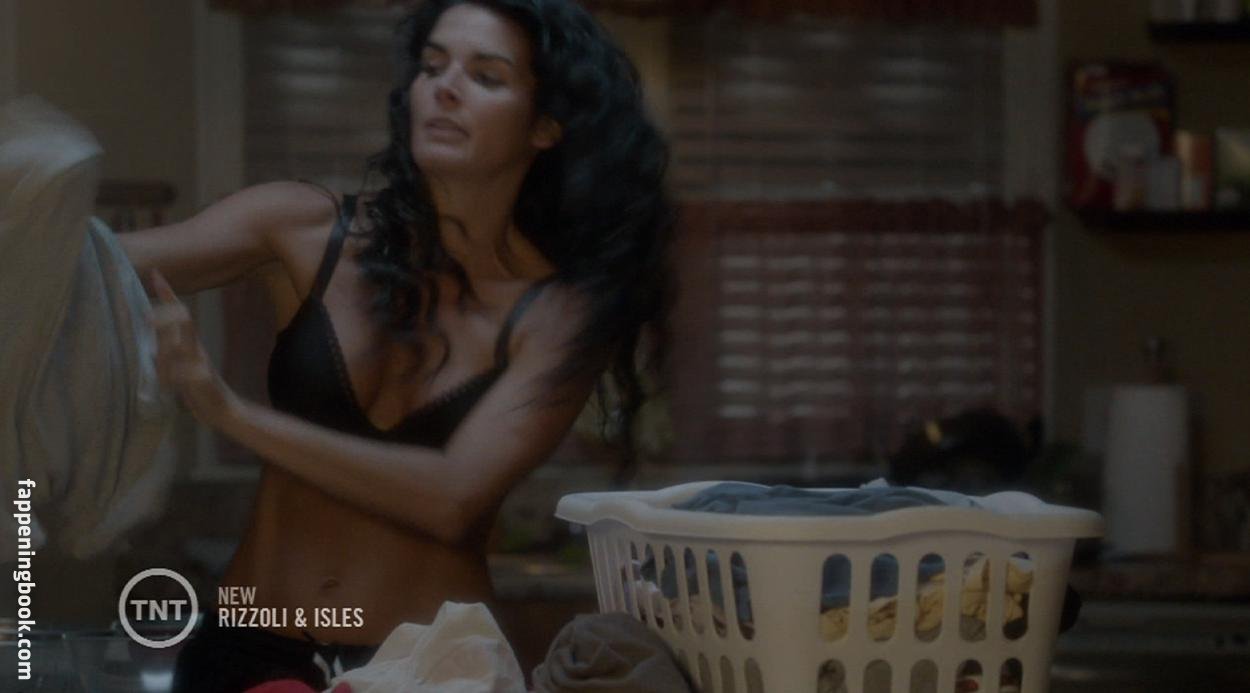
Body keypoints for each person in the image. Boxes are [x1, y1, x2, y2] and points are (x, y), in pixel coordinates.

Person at [130, 1, 675, 690]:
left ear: (545, 125)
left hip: (431, 668)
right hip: (246, 648)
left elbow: (452, 496)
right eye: (432, 66)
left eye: (486, 75)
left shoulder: (558, 314)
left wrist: (226, 411)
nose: (444, 87)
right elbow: (87, 269)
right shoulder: (300, 226)